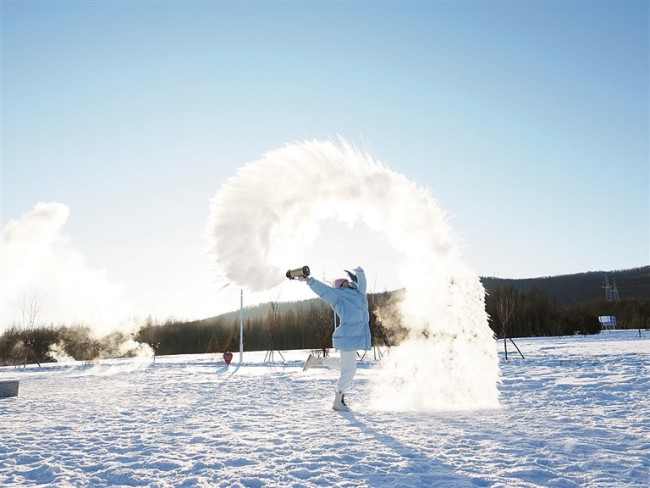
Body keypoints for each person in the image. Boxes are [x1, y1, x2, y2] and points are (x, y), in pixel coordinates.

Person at [296, 266, 371, 411]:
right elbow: (324, 291)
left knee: (344, 364)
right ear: (340, 286)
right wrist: (309, 281)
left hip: (354, 335)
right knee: (349, 371)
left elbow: (363, 284)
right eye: (343, 282)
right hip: (347, 335)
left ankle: (317, 361)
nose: (346, 282)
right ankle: (338, 400)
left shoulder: (358, 294)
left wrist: (360, 272)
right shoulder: (337, 295)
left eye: (346, 281)